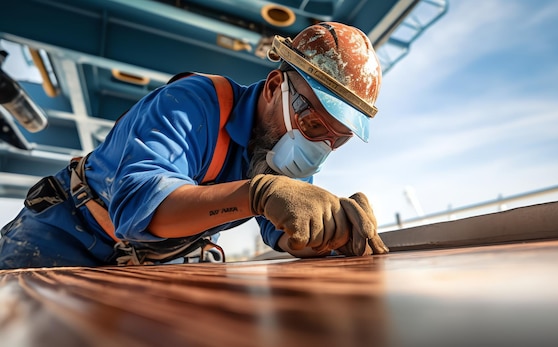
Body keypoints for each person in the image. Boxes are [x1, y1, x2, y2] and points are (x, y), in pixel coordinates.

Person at [0, 22, 388, 269]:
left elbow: (280, 231)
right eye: (313, 124)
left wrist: (327, 233)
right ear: (274, 88)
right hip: (63, 237)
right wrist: (257, 194)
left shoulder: (293, 145)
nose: (319, 146)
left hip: (156, 262)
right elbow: (138, 207)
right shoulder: (195, 103)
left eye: (338, 139)